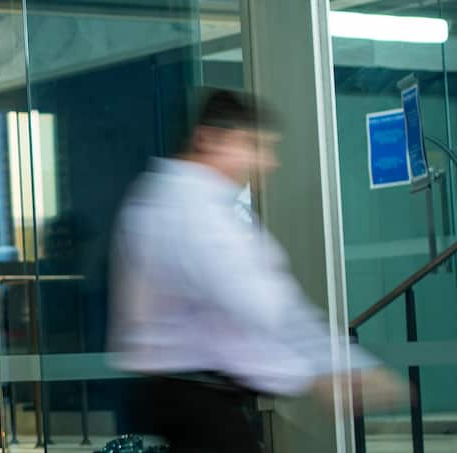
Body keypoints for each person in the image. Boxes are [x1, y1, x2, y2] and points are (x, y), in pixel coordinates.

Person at [109, 89, 404, 452]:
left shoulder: (162, 195)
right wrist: (330, 370)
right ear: (208, 139)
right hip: (197, 399)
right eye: (253, 145)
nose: (268, 161)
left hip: (177, 395)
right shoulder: (198, 210)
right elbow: (261, 305)